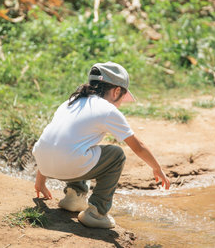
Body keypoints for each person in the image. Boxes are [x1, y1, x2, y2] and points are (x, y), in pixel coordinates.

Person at [32, 61, 170, 229]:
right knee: (116, 155)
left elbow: (54, 142)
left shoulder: (71, 101)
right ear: (117, 91)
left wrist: (40, 181)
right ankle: (96, 213)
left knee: (83, 146)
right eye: (122, 98)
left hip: (44, 165)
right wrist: (157, 168)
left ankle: (74, 197)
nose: (120, 103)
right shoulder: (108, 110)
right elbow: (138, 146)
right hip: (67, 164)